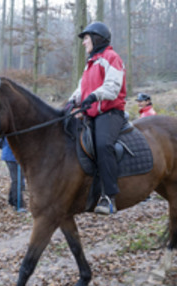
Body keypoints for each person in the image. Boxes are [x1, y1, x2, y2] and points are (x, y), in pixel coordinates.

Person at [67, 21, 126, 215]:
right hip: (91, 114)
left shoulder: (111, 57)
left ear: (96, 38)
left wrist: (93, 96)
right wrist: (72, 101)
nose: (84, 43)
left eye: (86, 38)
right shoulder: (91, 63)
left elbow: (112, 87)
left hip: (110, 113)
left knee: (102, 145)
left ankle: (109, 197)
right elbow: (81, 88)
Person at [0, 138, 26, 211]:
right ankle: (18, 204)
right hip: (11, 157)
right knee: (17, 180)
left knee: (18, 179)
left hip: (14, 157)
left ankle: (11, 200)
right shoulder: (12, 129)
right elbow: (12, 143)